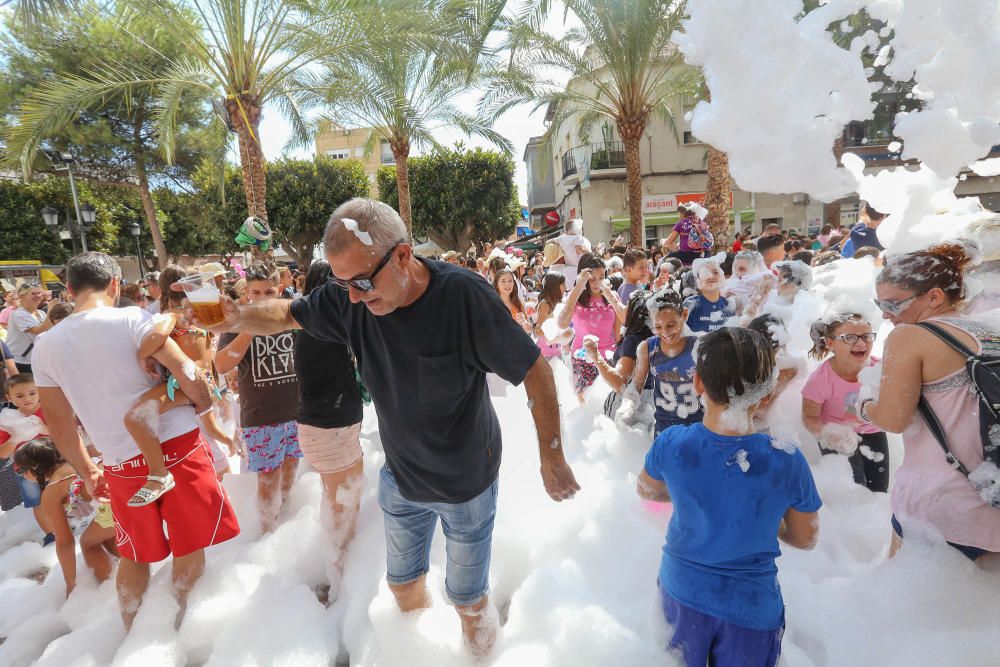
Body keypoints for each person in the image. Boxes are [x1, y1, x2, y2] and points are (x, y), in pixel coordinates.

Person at [185, 198, 579, 658]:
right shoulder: (350, 296)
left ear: (404, 256)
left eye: (362, 282)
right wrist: (236, 318)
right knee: (402, 588)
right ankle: (419, 652)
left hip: (466, 485)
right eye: (341, 283)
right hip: (401, 480)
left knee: (468, 601)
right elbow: (291, 313)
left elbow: (536, 371)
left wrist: (551, 456)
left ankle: (482, 655)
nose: (351, 297)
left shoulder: (463, 297)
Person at [33, 252, 239, 628]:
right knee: (188, 545)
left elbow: (60, 426)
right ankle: (179, 629)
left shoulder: (46, 346)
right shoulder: (133, 318)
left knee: (135, 555)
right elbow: (191, 377)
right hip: (176, 447)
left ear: (69, 290)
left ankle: (134, 638)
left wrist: (88, 469)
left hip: (117, 461)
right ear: (115, 285)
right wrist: (200, 397)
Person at [637, 327, 820, 667]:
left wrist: (688, 495)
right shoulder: (785, 459)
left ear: (698, 383)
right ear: (765, 395)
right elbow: (806, 537)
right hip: (749, 609)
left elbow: (647, 489)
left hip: (680, 592)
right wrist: (763, 522)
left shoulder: (672, 444)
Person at [863, 241, 1000, 560]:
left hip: (939, 507)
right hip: (992, 497)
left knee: (905, 607)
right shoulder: (990, 332)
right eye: (879, 304)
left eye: (893, 304)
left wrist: (865, 405)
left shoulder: (909, 337)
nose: (884, 315)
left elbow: (893, 418)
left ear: (934, 297)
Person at [216, 262, 301, 534]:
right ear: (247, 293)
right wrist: (251, 327)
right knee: (267, 481)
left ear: (278, 291)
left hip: (296, 412)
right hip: (260, 417)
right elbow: (220, 365)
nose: (262, 298)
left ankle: (283, 534)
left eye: (268, 292)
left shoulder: (291, 317)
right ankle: (267, 536)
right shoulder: (238, 323)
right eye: (256, 293)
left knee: (289, 477)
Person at [294, 260, 365, 578]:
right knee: (343, 512)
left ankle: (335, 579)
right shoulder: (325, 324)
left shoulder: (310, 322)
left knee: (337, 505)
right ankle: (337, 585)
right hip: (330, 428)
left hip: (323, 427)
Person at [13, 437, 118, 596]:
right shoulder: (82, 460)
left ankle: (112, 592)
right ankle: (131, 572)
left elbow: (65, 542)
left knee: (88, 543)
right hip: (133, 490)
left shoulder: (52, 492)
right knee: (103, 535)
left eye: (20, 470)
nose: (21, 475)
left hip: (116, 505)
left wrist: (70, 583)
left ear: (32, 470)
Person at [802, 314, 888, 493]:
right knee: (852, 492)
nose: (861, 343)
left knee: (878, 491)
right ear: (830, 343)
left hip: (872, 431)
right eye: (849, 337)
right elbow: (809, 416)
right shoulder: (820, 380)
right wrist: (826, 434)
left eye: (866, 336)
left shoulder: (882, 369)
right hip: (836, 434)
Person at [627, 288, 703, 437]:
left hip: (697, 429)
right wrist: (627, 406)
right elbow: (636, 385)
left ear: (684, 315)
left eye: (671, 325)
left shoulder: (699, 347)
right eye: (658, 327)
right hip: (664, 430)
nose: (665, 333)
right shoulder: (647, 348)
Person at [556, 253, 622, 400]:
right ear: (583, 276)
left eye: (602, 277)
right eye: (592, 279)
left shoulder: (612, 296)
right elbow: (562, 323)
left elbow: (619, 332)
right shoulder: (575, 297)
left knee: (609, 403)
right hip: (582, 359)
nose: (597, 283)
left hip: (608, 358)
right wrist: (578, 287)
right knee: (586, 407)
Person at [585, 289, 655, 418]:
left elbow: (620, 384)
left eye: (628, 304)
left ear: (635, 313)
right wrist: (605, 289)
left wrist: (595, 354)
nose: (624, 307)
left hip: (625, 407)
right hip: (648, 403)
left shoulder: (633, 341)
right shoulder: (655, 338)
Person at [0, 373, 52, 543]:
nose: (27, 399)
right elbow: (2, 453)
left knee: (63, 495)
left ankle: (71, 521)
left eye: (32, 393)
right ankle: (51, 533)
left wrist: (45, 430)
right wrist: (15, 438)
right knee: (38, 502)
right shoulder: (7, 421)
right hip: (26, 469)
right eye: (19, 395)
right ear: (9, 397)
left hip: (55, 463)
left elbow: (68, 434)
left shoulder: (49, 409)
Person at [6, 283, 54, 372]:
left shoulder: (41, 313)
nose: (37, 296)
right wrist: (51, 310)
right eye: (33, 293)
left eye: (38, 293)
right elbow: (38, 331)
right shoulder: (19, 314)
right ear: (22, 297)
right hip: (21, 360)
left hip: (36, 358)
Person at [683, 254, 735, 333]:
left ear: (721, 276)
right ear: (698, 279)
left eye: (715, 272)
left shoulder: (730, 305)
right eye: (705, 273)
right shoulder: (690, 304)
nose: (711, 276)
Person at [533, 272, 568, 360]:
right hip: (545, 354)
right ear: (555, 286)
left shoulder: (557, 303)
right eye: (563, 285)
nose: (566, 288)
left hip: (556, 351)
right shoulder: (546, 304)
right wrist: (558, 336)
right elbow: (538, 331)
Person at [554, 218, 593, 289]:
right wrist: (589, 252)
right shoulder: (578, 238)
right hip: (580, 266)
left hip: (568, 266)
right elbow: (578, 250)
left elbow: (550, 241)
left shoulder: (562, 238)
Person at [493, 268, 532, 334]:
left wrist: (525, 324)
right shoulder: (492, 304)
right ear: (497, 284)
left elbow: (529, 330)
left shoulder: (518, 303)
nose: (507, 284)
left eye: (510, 281)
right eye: (503, 281)